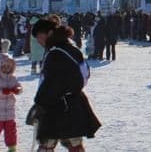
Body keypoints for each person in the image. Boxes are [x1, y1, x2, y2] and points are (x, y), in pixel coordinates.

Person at [30, 19, 101, 151]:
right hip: (74, 103)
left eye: (40, 37)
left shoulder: (55, 53)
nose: (39, 42)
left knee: (47, 143)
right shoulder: (71, 48)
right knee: (74, 142)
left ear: (50, 33)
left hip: (56, 106)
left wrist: (40, 103)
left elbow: (51, 84)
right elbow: (85, 74)